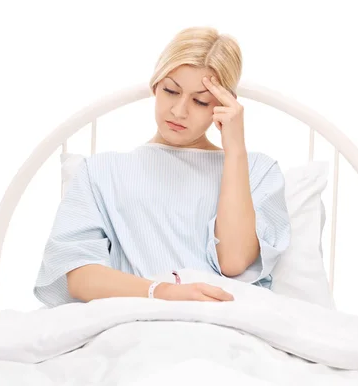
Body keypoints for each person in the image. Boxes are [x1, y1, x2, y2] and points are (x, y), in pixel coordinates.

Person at [33, 26, 291, 307]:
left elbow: (233, 261)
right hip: (132, 325)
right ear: (155, 85)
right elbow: (81, 277)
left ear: (223, 105)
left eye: (200, 101)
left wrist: (236, 150)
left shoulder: (256, 170)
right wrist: (165, 292)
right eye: (171, 91)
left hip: (224, 328)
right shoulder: (100, 172)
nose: (179, 111)